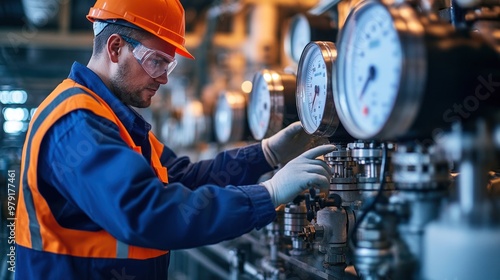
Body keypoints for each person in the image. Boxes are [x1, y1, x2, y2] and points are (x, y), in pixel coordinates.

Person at [14, 0, 335, 279]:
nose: (165, 78)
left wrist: (265, 154)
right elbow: (148, 213)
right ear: (115, 48)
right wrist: (268, 194)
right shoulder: (77, 122)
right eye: (157, 61)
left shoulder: (113, 120)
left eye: (170, 64)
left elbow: (185, 178)